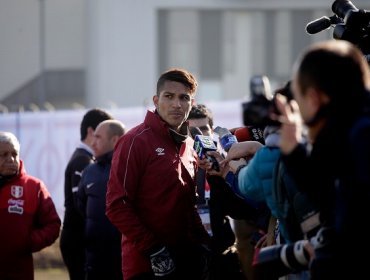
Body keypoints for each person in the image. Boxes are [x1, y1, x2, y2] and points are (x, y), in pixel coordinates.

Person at [275, 40, 370, 279]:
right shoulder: (345, 132)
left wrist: (329, 258)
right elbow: (334, 200)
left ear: (315, 98)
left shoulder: (362, 136)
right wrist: (294, 153)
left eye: (298, 98)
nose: (297, 108)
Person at [106, 68, 211, 280]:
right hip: (145, 266)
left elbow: (187, 204)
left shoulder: (190, 144)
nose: (176, 104)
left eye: (184, 98)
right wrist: (154, 249)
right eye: (169, 97)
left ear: (192, 103)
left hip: (186, 262)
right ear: (156, 100)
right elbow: (116, 205)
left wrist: (203, 243)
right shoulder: (135, 141)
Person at [60, 108, 113, 280]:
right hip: (76, 239)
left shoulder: (85, 158)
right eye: (99, 134)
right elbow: (82, 205)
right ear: (91, 131)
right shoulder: (82, 160)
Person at [0, 131, 61, 280]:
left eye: (14, 154)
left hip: (19, 273)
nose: (11, 159)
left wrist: (27, 241)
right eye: (4, 155)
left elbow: (53, 225)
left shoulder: (34, 187)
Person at [77, 119, 126, 280]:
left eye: (98, 137)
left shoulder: (129, 167)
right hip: (94, 262)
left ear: (115, 139)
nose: (92, 142)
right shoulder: (89, 171)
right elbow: (82, 208)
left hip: (123, 261)